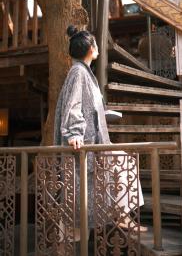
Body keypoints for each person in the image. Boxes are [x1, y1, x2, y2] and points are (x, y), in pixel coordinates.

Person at [54, 25, 145, 241]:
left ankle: (121, 215)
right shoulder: (78, 72)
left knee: (120, 168)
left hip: (94, 142)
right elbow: (73, 105)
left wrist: (104, 114)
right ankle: (121, 216)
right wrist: (74, 133)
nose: (97, 47)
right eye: (95, 44)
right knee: (117, 168)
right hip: (85, 145)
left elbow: (86, 106)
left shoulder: (83, 72)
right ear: (90, 48)